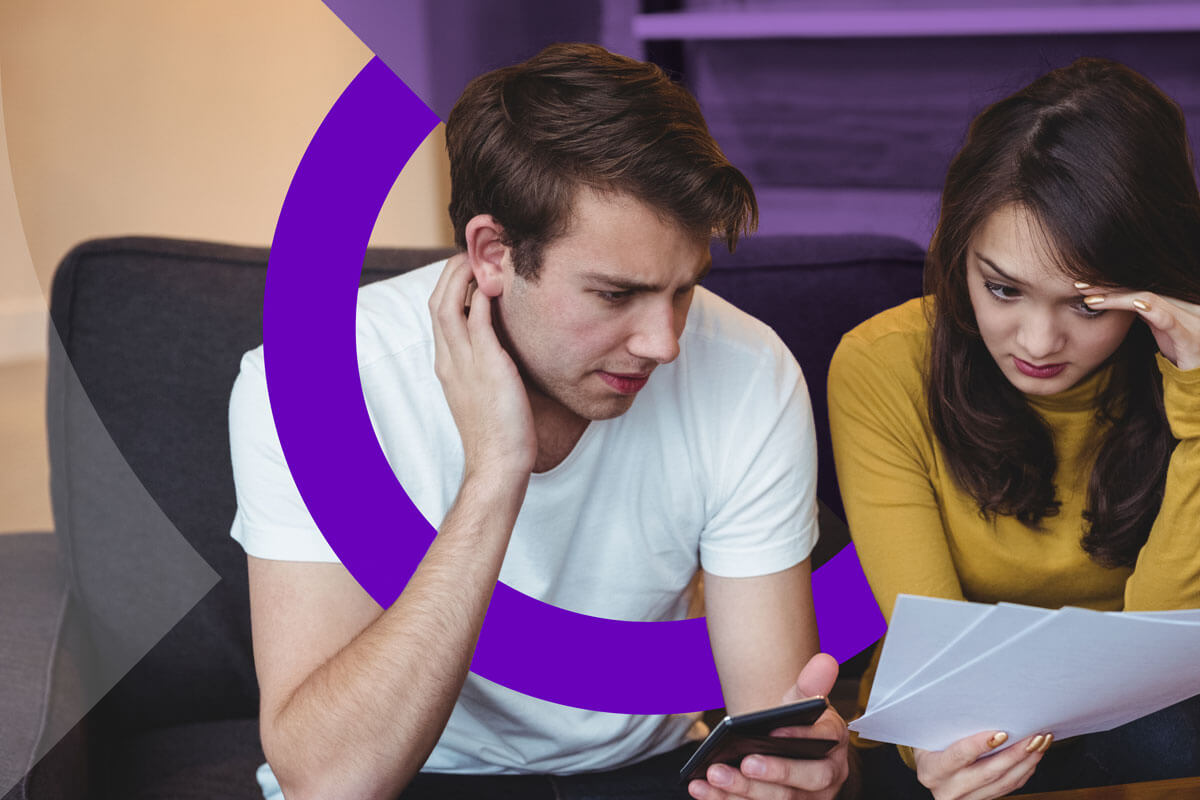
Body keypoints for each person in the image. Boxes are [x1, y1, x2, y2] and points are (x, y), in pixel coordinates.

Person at [229, 43, 851, 800]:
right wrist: (495, 471)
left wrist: (787, 771)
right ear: (493, 254)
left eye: (683, 289)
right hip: (411, 774)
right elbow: (330, 780)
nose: (664, 343)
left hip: (649, 773)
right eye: (616, 294)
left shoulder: (750, 372)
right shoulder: (317, 384)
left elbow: (765, 713)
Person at [828, 56, 1200, 799]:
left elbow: (1164, 658)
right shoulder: (883, 365)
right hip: (954, 733)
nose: (1035, 342)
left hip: (1159, 727)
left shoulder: (1186, 369)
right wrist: (940, 746)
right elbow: (929, 654)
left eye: (1088, 305)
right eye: (1002, 289)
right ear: (958, 251)